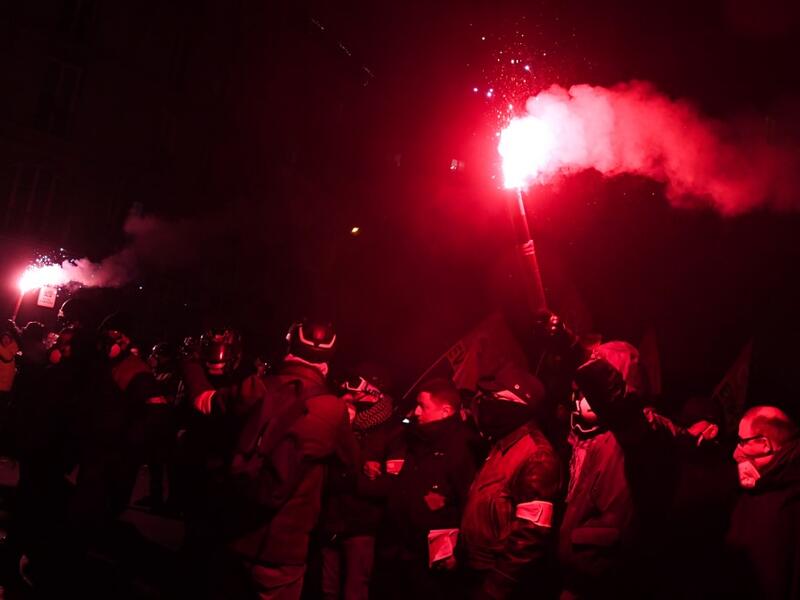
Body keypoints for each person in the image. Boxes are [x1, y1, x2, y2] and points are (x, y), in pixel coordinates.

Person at [217, 319, 355, 599]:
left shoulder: (256, 388)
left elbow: (209, 405)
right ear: (328, 358)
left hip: (234, 525)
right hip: (285, 546)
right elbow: (350, 467)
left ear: (290, 345)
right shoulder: (333, 409)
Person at [461, 366, 562, 600]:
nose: (485, 403)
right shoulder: (501, 445)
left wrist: (496, 587)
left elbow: (530, 536)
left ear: (518, 404)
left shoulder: (537, 457)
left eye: (493, 398)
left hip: (498, 583)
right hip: (476, 572)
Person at [372, 378, 477, 599]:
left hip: (432, 560)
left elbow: (468, 504)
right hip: (399, 551)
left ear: (445, 411)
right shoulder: (413, 439)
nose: (416, 412)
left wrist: (456, 552)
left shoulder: (462, 449)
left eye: (423, 406)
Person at [319, 367, 401, 600]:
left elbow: (389, 485)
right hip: (330, 518)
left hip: (362, 525)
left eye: (353, 392)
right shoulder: (336, 424)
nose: (345, 396)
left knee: (355, 590)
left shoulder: (392, 432)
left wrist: (355, 479)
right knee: (328, 588)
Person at [725, 405, 800, 599]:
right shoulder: (764, 484)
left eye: (742, 441)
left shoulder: (787, 498)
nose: (736, 452)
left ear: (765, 444)